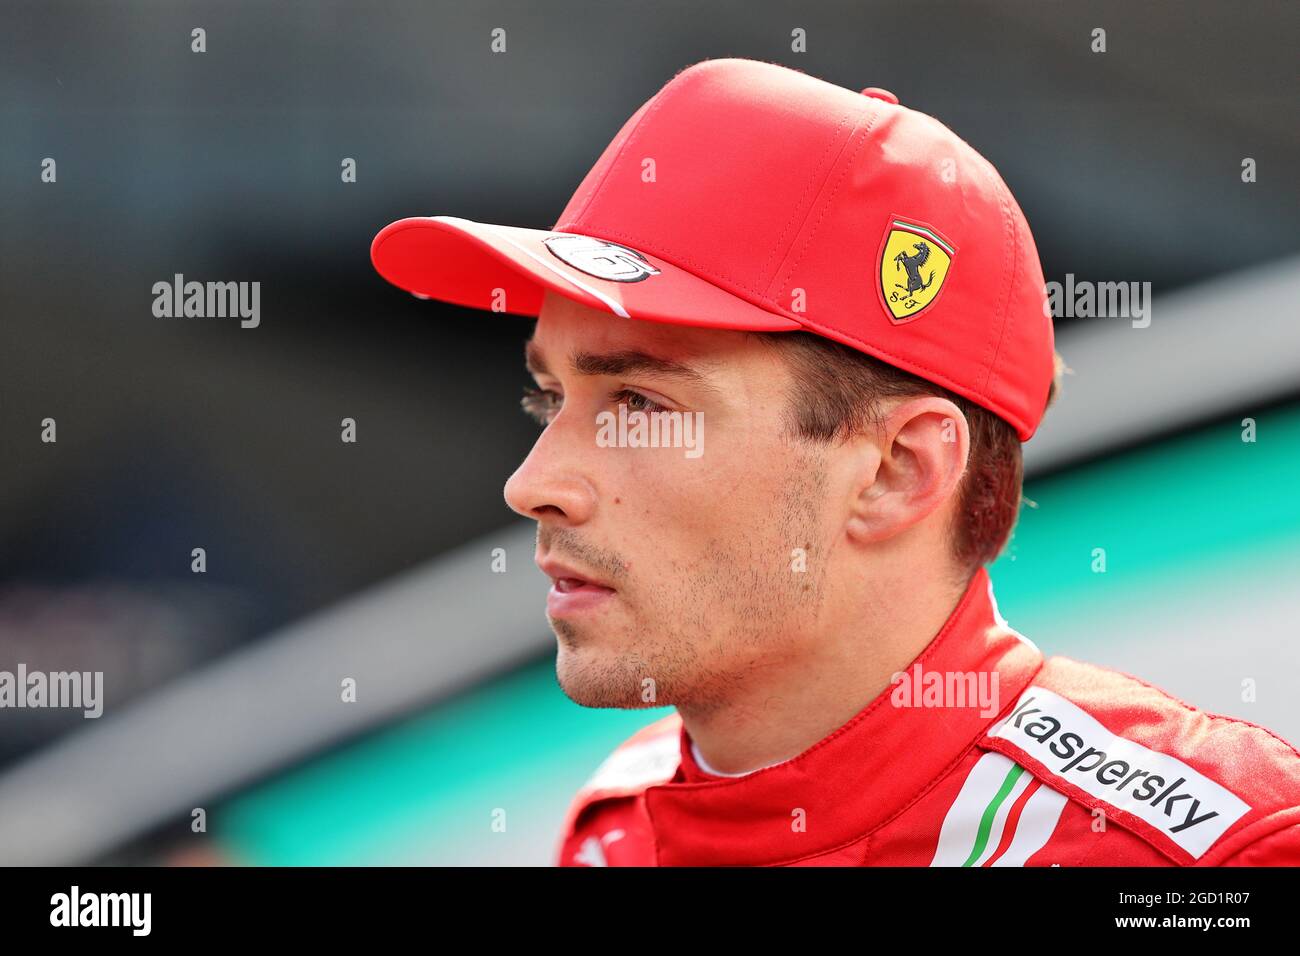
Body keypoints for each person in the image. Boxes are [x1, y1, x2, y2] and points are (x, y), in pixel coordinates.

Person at [370, 57, 1300, 866]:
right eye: (550, 398)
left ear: (900, 471)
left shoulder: (1217, 852)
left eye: (640, 406)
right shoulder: (616, 823)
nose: (533, 485)